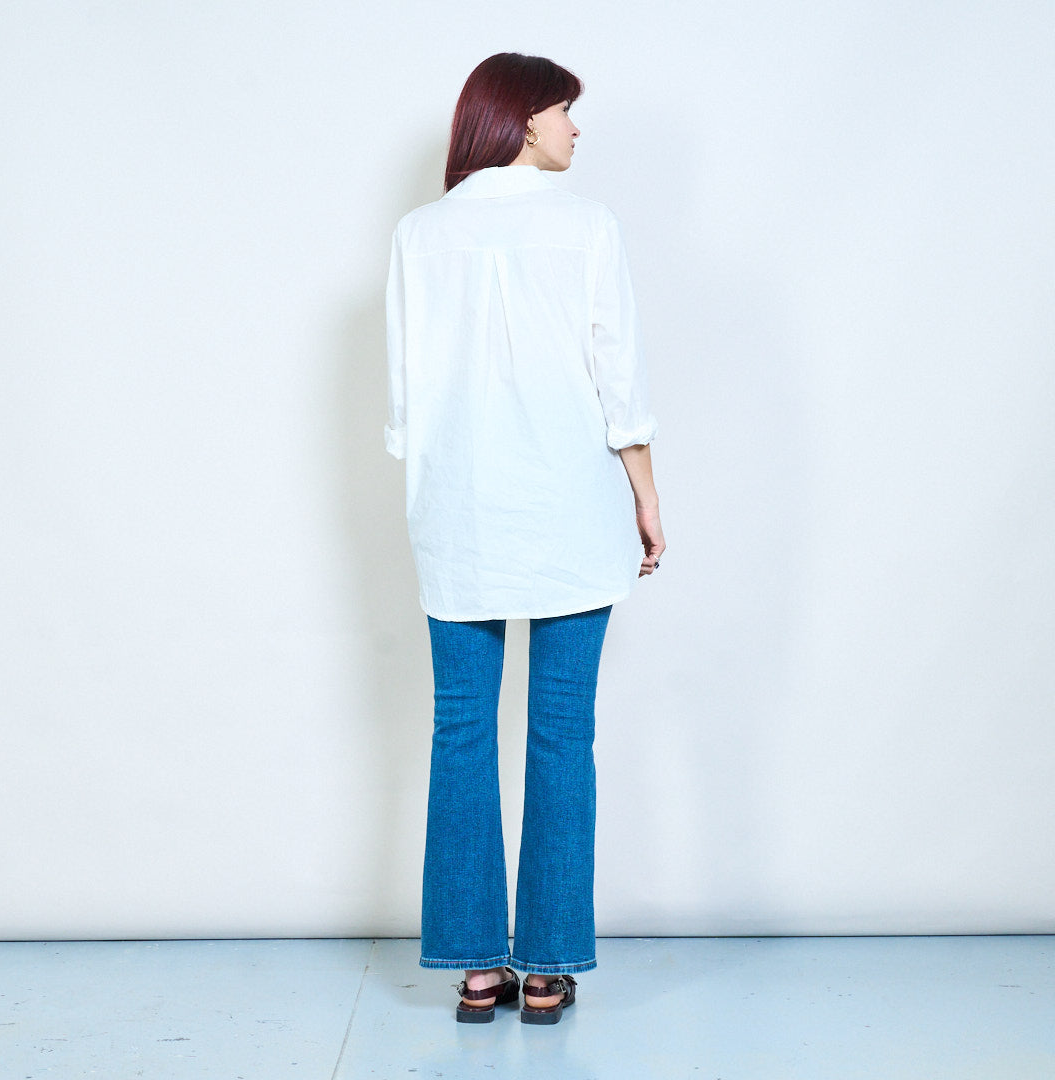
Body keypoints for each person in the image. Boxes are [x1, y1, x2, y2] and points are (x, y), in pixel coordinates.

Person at [384, 52, 665, 1025]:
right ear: (522, 119)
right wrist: (647, 496)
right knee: (562, 730)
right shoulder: (588, 226)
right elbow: (618, 379)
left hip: (457, 513)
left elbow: (404, 404)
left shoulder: (420, 233)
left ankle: (474, 970)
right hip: (571, 510)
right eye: (564, 111)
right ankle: (546, 971)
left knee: (460, 727)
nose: (576, 129)